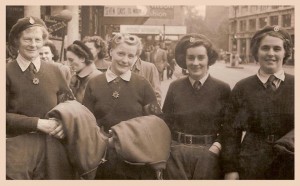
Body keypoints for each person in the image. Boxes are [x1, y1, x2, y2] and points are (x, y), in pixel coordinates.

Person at [82, 33, 162, 179]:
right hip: (103, 156)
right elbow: (86, 121)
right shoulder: (94, 83)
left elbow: (156, 122)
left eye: (131, 56)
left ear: (136, 57)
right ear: (111, 52)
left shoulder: (143, 84)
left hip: (136, 158)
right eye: (120, 53)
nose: (125, 60)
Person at [222, 25, 294, 180]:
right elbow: (230, 132)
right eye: (265, 48)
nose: (271, 54)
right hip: (252, 162)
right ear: (256, 52)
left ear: (285, 52)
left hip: (290, 163)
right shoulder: (243, 87)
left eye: (277, 48)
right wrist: (231, 169)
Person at [6, 16, 74, 179]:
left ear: (44, 41)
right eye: (27, 39)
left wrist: (64, 123)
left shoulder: (57, 70)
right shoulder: (6, 72)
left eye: (38, 39)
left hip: (54, 148)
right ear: (17, 41)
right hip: (16, 150)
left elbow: (70, 105)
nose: (33, 44)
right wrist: (37, 123)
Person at [162, 33, 231, 179]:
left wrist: (216, 148)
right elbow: (165, 122)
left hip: (208, 154)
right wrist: (169, 149)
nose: (195, 62)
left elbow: (229, 126)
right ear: (184, 60)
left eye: (201, 57)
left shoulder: (222, 88)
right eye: (191, 57)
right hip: (177, 154)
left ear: (209, 59)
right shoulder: (175, 87)